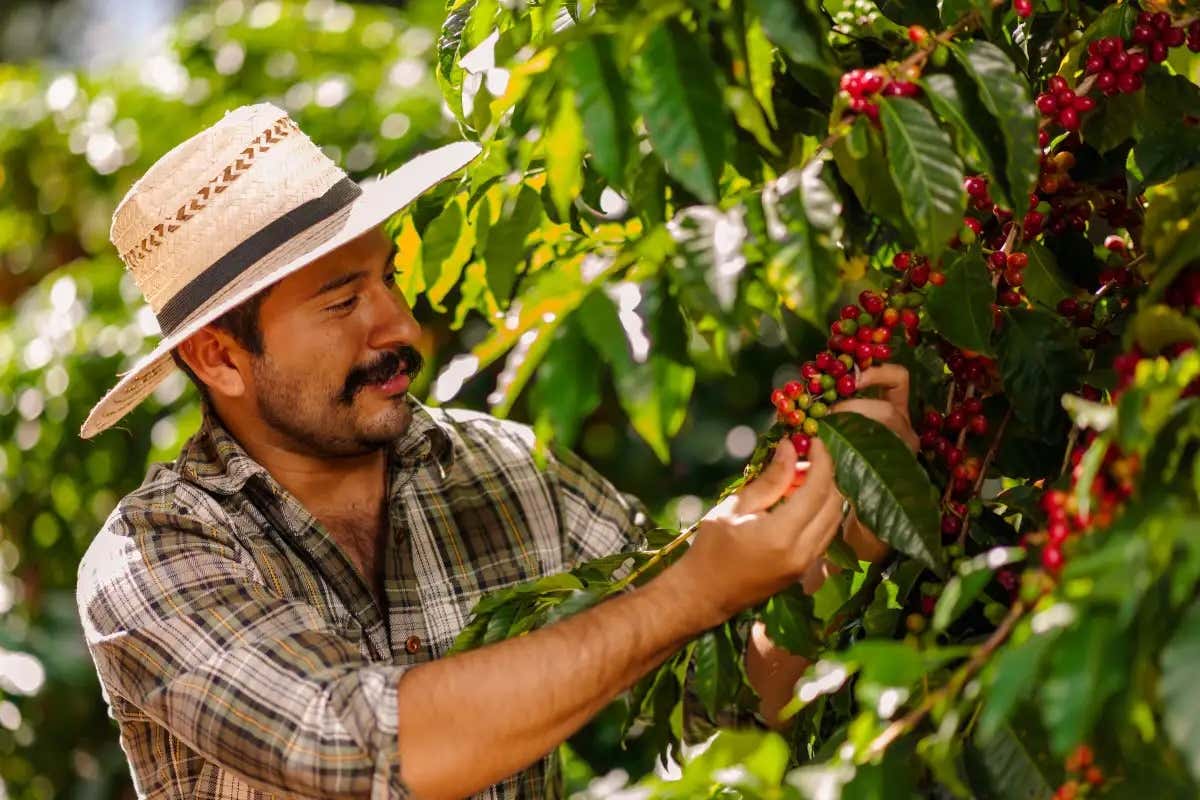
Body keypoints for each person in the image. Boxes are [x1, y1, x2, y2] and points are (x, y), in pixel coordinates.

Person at [75, 104, 916, 800]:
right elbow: (359, 745)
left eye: (388, 281)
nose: (400, 327)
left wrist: (834, 547)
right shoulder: (154, 557)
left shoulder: (509, 469)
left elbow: (711, 697)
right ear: (218, 357)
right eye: (341, 304)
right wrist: (697, 587)